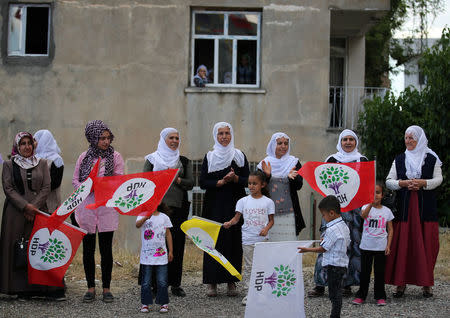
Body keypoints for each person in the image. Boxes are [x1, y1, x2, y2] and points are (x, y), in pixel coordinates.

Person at [0, 132, 60, 300]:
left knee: (37, 247)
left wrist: (34, 207)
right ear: (17, 147)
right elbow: (8, 188)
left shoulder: (42, 163)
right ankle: (16, 287)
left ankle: (38, 288)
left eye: (29, 143)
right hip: (15, 213)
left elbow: (47, 187)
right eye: (22, 144)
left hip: (38, 211)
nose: (26, 147)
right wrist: (25, 206)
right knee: (17, 248)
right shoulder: (8, 165)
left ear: (34, 145)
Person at [385, 125, 442, 298]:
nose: (408, 141)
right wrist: (402, 184)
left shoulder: (432, 158)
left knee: (426, 244)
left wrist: (423, 183)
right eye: (406, 138)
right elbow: (389, 181)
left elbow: (439, 179)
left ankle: (426, 284)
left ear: (420, 139)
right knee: (403, 244)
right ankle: (400, 283)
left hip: (425, 208)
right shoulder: (400, 159)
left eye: (412, 138)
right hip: (404, 208)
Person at [309, 129, 367, 297]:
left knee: (350, 245)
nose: (348, 142)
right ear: (340, 142)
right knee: (326, 243)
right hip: (333, 210)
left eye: (351, 139)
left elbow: (365, 187)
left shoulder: (362, 160)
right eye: (345, 139)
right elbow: (324, 183)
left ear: (356, 142)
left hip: (354, 210)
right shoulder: (332, 160)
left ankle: (346, 284)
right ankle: (320, 284)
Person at [72, 120, 124, 303]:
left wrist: (101, 186)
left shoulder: (115, 157)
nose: (105, 142)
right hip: (86, 208)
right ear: (93, 138)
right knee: (88, 250)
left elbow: (118, 180)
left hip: (106, 208)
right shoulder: (84, 157)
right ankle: (90, 288)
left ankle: (107, 288)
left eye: (108, 138)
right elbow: (75, 181)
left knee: (106, 250)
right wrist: (88, 188)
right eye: (101, 138)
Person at [200, 122, 249, 297]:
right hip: (214, 206)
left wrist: (235, 178)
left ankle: (231, 282)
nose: (224, 136)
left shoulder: (239, 156)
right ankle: (212, 283)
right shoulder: (210, 156)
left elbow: (248, 180)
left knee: (233, 242)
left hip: (235, 205)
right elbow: (203, 182)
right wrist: (219, 182)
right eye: (220, 133)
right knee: (213, 242)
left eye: (227, 133)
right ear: (215, 135)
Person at [143, 127, 193, 297]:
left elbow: (191, 183)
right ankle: (154, 285)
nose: (174, 141)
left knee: (177, 245)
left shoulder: (184, 161)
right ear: (163, 139)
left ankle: (175, 284)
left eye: (177, 138)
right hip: (157, 209)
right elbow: (144, 182)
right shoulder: (152, 159)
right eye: (171, 137)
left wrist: (177, 179)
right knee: (156, 245)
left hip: (178, 209)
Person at [223, 170, 275, 305]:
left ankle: (262, 293)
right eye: (249, 183)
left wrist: (266, 229)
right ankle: (249, 294)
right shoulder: (242, 201)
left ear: (262, 185)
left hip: (262, 241)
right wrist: (229, 223)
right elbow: (236, 219)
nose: (251, 186)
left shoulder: (268, 202)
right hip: (247, 240)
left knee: (262, 266)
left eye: (254, 184)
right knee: (249, 267)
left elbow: (271, 221)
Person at [298, 195, 350, 318]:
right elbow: (341, 241)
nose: (323, 218)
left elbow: (323, 248)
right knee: (336, 292)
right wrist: (325, 240)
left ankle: (335, 315)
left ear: (331, 213)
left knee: (334, 294)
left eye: (323, 215)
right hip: (341, 264)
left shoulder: (331, 229)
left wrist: (307, 250)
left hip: (334, 265)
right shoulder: (344, 226)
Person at [257, 132, 305, 241]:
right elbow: (258, 187)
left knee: (288, 245)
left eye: (286, 143)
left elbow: (299, 185)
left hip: (289, 212)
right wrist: (267, 176)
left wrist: (291, 178)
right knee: (270, 245)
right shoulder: (264, 163)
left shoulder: (294, 162)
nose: (283, 146)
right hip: (269, 213)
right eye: (279, 143)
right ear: (273, 145)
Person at [352, 183, 394, 306]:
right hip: (366, 246)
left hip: (381, 247)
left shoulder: (387, 211)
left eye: (378, 192)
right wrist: (370, 203)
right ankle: (361, 295)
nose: (375, 195)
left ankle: (380, 296)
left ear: (382, 195)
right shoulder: (366, 207)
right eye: (373, 193)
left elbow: (390, 229)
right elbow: (363, 216)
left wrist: (388, 245)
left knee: (379, 273)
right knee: (365, 272)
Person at [136, 203, 173, 313]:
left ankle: (164, 303)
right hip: (146, 256)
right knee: (146, 281)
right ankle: (145, 304)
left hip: (161, 255)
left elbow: (168, 234)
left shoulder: (164, 217)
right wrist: (145, 218)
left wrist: (171, 251)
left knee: (162, 281)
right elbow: (137, 225)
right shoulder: (142, 215)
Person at [34, 129, 64, 214]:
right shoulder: (35, 158)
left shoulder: (57, 159)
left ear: (43, 141)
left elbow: (55, 183)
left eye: (35, 140)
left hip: (51, 203)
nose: (33, 143)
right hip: (36, 203)